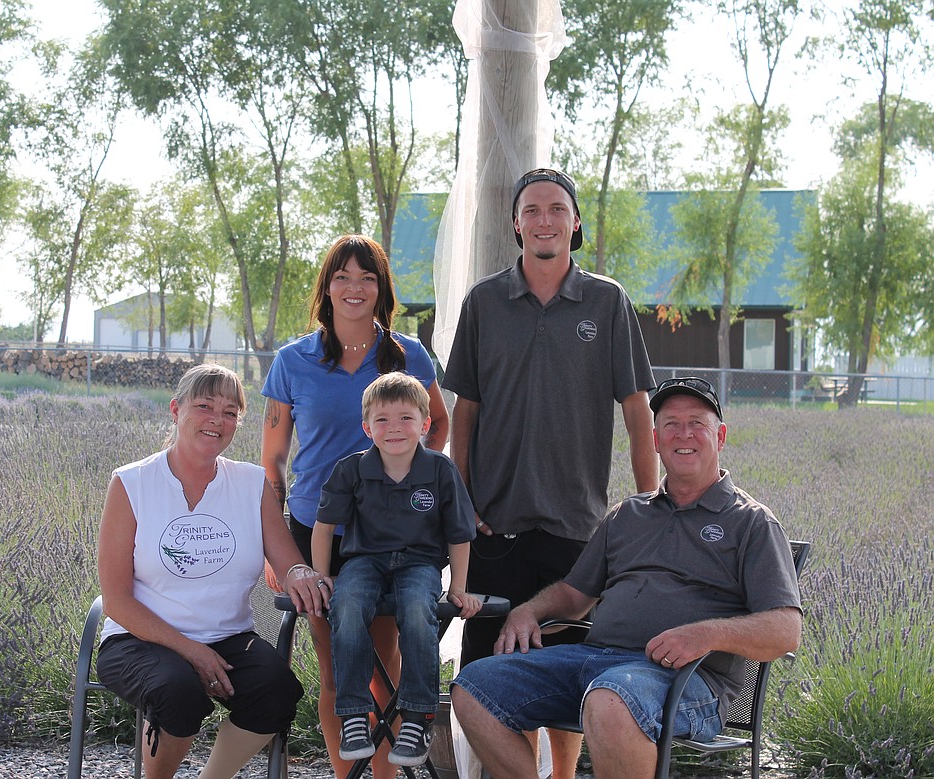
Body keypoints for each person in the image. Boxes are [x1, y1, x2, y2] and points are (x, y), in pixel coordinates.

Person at [450, 376, 803, 779]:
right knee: (475, 687)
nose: (682, 434)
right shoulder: (627, 515)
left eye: (697, 424)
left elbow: (785, 629)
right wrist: (529, 610)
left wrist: (704, 634)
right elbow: (573, 594)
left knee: (610, 701)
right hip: (596, 662)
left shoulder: (752, 523)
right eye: (671, 424)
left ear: (720, 436)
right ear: (655, 439)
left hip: (685, 681)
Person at [442, 167, 661, 776]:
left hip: (578, 532)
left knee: (568, 687)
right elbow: (466, 411)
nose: (545, 219)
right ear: (516, 224)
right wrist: (462, 499)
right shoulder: (485, 302)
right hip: (494, 530)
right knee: (485, 686)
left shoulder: (607, 301)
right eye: (532, 209)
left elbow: (639, 413)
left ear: (576, 222)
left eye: (557, 209)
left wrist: (648, 505)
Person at [262, 233, 451, 779]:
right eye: (342, 276)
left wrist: (415, 473)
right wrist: (280, 553)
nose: (354, 287)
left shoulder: (409, 355)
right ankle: (347, 775)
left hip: (394, 534)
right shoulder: (292, 361)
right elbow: (273, 460)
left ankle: (387, 775)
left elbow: (437, 422)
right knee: (337, 667)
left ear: (382, 288)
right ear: (326, 286)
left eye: (367, 277)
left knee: (383, 664)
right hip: (318, 532)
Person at [96, 364, 331, 779]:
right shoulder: (131, 483)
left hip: (228, 638)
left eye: (229, 412)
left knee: (278, 692)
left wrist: (300, 575)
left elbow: (288, 560)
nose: (216, 421)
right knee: (178, 690)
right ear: (176, 409)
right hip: (139, 639)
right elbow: (116, 601)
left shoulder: (251, 483)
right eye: (204, 406)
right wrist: (191, 651)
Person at [314, 372, 481, 767]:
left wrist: (458, 587)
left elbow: (459, 535)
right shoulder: (351, 470)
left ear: (425, 424)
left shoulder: (440, 470)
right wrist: (322, 576)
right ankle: (354, 713)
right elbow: (324, 528)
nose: (394, 428)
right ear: (366, 427)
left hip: (420, 563)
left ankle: (418, 716)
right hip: (363, 561)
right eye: (382, 419)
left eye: (405, 418)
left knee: (418, 613)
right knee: (348, 605)